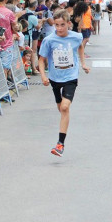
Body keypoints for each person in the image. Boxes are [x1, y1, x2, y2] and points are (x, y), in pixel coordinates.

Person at [38, 9, 90, 157]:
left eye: (62, 25)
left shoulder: (76, 37)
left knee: (65, 108)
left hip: (71, 76)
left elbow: (80, 46)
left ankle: (60, 144)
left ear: (68, 24)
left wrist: (83, 63)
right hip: (55, 78)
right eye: (56, 25)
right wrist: (43, 76)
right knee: (61, 109)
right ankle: (62, 131)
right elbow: (42, 60)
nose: (59, 28)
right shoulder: (49, 40)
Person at [0, 0, 18, 81]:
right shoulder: (9, 13)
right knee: (4, 67)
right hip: (6, 43)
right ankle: (3, 89)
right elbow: (15, 28)